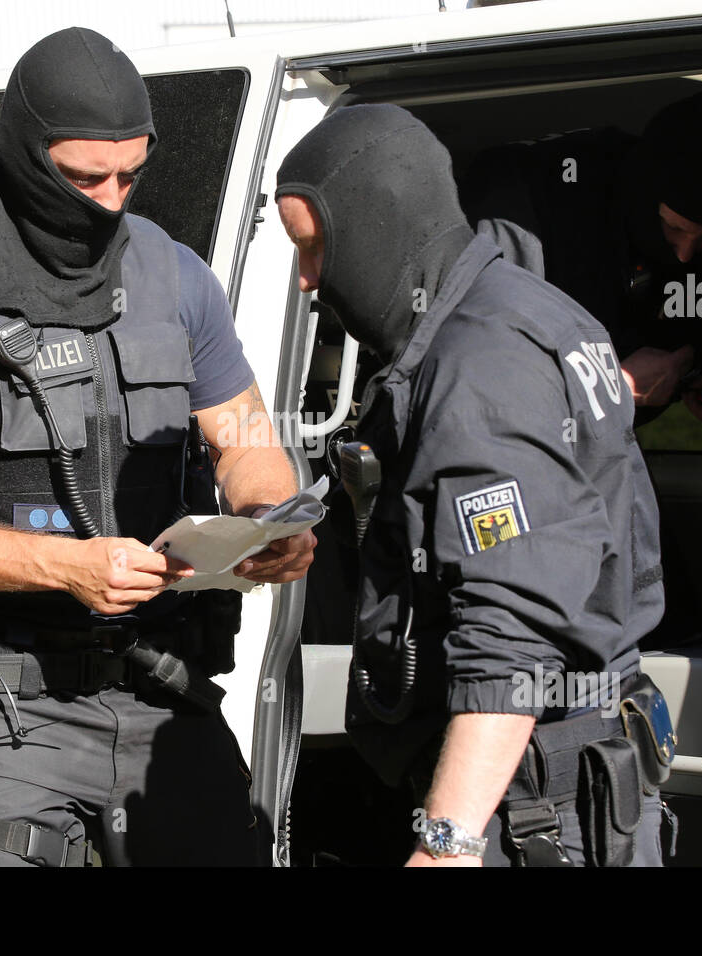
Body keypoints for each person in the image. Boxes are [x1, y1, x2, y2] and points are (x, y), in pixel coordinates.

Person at [0, 27, 314, 867]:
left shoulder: (177, 278)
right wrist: (66, 568)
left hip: (167, 693)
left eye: (130, 175)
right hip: (9, 717)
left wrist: (265, 517)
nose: (110, 201)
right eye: (83, 176)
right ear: (25, 156)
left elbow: (245, 438)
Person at [275, 104, 670, 866]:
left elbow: (511, 636)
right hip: (561, 778)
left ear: (378, 223)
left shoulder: (478, 358)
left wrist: (445, 845)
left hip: (523, 806)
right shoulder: (535, 308)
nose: (306, 279)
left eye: (315, 248)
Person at [461, 92, 702, 429]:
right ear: (644, 199)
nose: (685, 253)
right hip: (532, 446)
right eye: (673, 228)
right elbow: (485, 381)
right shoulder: (539, 210)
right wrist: (615, 385)